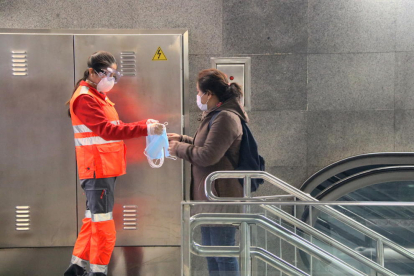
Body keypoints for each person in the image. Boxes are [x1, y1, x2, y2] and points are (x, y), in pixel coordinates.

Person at [64, 51, 164, 276]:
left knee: (93, 219)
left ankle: (77, 267)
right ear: (92, 72)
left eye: (114, 75)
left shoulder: (98, 96)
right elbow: (107, 131)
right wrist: (145, 128)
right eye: (106, 74)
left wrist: (144, 123)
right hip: (97, 168)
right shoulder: (84, 98)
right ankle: (98, 271)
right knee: (103, 223)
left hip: (104, 167)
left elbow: (116, 125)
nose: (111, 79)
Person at [168, 68, 247, 276]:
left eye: (198, 92)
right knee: (212, 255)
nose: (197, 96)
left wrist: (178, 149)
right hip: (208, 201)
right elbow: (205, 145)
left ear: (209, 94)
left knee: (224, 256)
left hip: (220, 200)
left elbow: (208, 156)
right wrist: (182, 139)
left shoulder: (226, 118)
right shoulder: (215, 114)